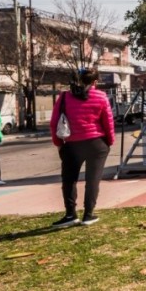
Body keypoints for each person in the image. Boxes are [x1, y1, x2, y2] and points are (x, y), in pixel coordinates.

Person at [49, 68, 115, 228]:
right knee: (93, 179)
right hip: (96, 143)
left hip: (71, 145)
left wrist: (58, 143)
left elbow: (54, 122)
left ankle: (70, 214)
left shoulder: (64, 96)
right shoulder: (101, 96)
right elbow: (108, 121)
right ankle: (89, 214)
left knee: (69, 180)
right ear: (95, 82)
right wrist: (110, 141)